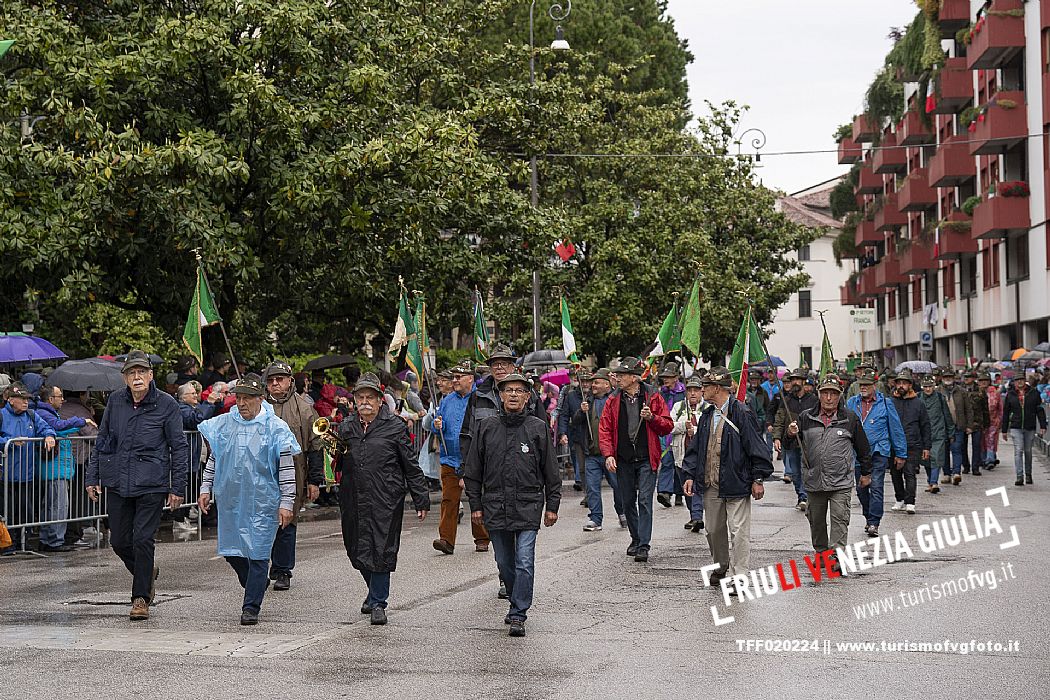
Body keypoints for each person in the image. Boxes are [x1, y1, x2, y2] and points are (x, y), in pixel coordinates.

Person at [86, 350, 188, 620]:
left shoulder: (166, 404)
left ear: (151, 375)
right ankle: (147, 571)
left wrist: (177, 487)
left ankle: (140, 597)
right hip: (119, 482)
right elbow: (103, 440)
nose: (137, 377)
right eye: (132, 373)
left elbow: (179, 447)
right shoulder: (116, 402)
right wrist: (92, 477)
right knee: (119, 541)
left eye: (142, 372)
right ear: (125, 378)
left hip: (151, 483)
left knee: (143, 539)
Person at [197, 374, 300, 625]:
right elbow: (214, 459)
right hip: (231, 501)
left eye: (247, 399)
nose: (241, 403)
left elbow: (287, 469)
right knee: (233, 551)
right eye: (238, 398)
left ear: (260, 400)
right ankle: (256, 582)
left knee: (258, 553)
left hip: (264, 503)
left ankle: (251, 606)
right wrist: (205, 487)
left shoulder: (275, 428)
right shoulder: (225, 426)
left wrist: (287, 502)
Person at [463, 372, 561, 638]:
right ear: (501, 395)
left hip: (528, 505)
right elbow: (473, 471)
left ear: (527, 397)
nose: (514, 394)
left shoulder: (537, 427)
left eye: (519, 390)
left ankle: (519, 613)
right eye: (509, 390)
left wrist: (552, 505)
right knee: (505, 562)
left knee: (524, 562)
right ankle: (516, 598)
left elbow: (551, 470)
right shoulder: (487, 427)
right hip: (495, 505)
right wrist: (476, 505)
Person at [336, 372, 430, 625]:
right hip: (353, 496)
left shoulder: (395, 426)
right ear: (355, 400)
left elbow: (410, 464)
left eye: (370, 397)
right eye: (360, 397)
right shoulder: (346, 427)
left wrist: (421, 498)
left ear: (380, 400)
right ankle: (373, 590)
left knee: (381, 549)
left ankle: (379, 602)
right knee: (356, 548)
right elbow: (337, 463)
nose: (365, 402)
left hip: (385, 498)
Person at [681, 367, 773, 587]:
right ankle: (721, 566)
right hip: (711, 483)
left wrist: (758, 478)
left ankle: (738, 575)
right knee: (713, 530)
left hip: (737, 482)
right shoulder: (706, 415)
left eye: (705, 386)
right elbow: (697, 448)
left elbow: (756, 447)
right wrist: (690, 474)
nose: (701, 390)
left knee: (739, 531)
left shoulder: (742, 413)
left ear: (716, 388)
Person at [598, 356, 674, 563]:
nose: (618, 378)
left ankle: (643, 545)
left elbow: (667, 425)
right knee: (627, 501)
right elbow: (604, 429)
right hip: (622, 459)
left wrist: (652, 418)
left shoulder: (653, 397)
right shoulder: (613, 399)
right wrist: (608, 455)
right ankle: (635, 537)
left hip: (646, 458)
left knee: (645, 501)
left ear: (634, 378)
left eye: (621, 375)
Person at [786, 376, 871, 561]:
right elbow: (789, 444)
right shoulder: (806, 417)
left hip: (841, 480)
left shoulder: (849, 418)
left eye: (833, 393)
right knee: (816, 521)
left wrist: (866, 472)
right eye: (825, 393)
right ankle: (822, 552)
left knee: (840, 518)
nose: (829, 398)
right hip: (814, 478)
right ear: (819, 395)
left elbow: (863, 447)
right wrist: (790, 433)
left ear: (840, 396)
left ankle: (836, 556)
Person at [262, 360, 324, 591]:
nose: (275, 384)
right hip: (262, 474)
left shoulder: (305, 409)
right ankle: (259, 567)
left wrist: (314, 480)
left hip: (295, 474)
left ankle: (282, 570)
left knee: (287, 521)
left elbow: (315, 445)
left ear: (290, 381)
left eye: (280, 379)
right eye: (271, 380)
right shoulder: (258, 405)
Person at [427, 361, 486, 554]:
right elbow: (441, 427)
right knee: (448, 500)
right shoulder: (447, 400)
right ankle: (446, 540)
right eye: (453, 377)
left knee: (478, 498)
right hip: (450, 458)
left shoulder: (481, 398)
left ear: (470, 378)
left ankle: (482, 537)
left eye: (458, 377)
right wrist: (438, 426)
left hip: (475, 460)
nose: (454, 380)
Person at [845, 368, 906, 538]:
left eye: (866, 385)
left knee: (877, 486)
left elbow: (896, 429)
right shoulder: (851, 403)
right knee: (861, 488)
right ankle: (868, 516)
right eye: (861, 384)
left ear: (875, 385)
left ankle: (874, 522)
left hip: (879, 451)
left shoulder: (886, 403)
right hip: (857, 453)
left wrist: (900, 453)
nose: (863, 387)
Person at [34, 386, 94, 552]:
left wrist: (78, 424)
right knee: (58, 505)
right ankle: (54, 540)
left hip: (57, 467)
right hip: (55, 467)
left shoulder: (48, 413)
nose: (63, 399)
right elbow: (58, 427)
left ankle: (50, 538)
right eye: (59, 396)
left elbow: (61, 428)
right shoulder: (45, 414)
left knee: (53, 504)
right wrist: (81, 421)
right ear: (50, 399)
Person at [0, 383, 57, 553]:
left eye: (27, 399)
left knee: (25, 512)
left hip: (27, 475)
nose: (26, 402)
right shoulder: (2, 416)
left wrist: (49, 436)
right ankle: (8, 545)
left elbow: (47, 427)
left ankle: (22, 543)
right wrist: (8, 443)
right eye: (22, 399)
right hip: (5, 476)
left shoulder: (31, 415)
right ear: (11, 400)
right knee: (7, 512)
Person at [572, 368, 624, 531]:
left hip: (611, 454)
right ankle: (595, 519)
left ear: (607, 385)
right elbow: (575, 421)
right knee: (592, 488)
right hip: (592, 454)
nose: (592, 385)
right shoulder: (588, 400)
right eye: (592, 382)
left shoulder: (616, 400)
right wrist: (582, 411)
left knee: (618, 486)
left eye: (596, 382)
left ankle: (623, 513)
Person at [772, 368, 818, 511]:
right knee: (795, 472)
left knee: (807, 470)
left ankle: (806, 496)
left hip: (808, 442)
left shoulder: (814, 400)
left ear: (804, 382)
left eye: (797, 379)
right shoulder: (786, 401)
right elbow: (779, 420)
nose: (794, 382)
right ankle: (801, 495)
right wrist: (777, 437)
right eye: (792, 380)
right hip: (790, 441)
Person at [889, 369, 931, 515]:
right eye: (899, 383)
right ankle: (899, 498)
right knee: (895, 474)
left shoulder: (918, 403)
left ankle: (910, 501)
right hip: (894, 444)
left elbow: (925, 425)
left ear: (910, 385)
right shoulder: (890, 402)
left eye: (904, 383)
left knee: (910, 473)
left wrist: (927, 446)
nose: (901, 386)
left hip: (913, 444)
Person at [670, 375, 708, 533]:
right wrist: (683, 426)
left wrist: (696, 429)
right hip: (681, 455)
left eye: (696, 390)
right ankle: (694, 514)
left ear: (701, 392)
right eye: (690, 390)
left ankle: (698, 516)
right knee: (687, 487)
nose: (693, 393)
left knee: (697, 486)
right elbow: (669, 426)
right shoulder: (679, 407)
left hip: (701, 456)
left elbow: (712, 428)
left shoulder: (708, 408)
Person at [1001, 374, 1048, 486]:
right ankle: (1019, 476)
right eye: (1017, 380)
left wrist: (1042, 425)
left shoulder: (1033, 393)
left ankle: (1028, 474)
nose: (1020, 382)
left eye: (1021, 380)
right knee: (1018, 450)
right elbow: (1006, 412)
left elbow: (1040, 410)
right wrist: (1004, 429)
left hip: (1029, 426)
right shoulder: (1010, 394)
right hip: (1016, 426)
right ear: (1015, 382)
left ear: (1025, 381)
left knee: (1028, 451)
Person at [656, 362, 685, 508]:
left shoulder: (684, 393)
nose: (666, 380)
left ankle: (680, 493)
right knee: (667, 461)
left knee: (679, 462)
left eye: (669, 377)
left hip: (680, 431)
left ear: (676, 377)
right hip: (664, 431)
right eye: (664, 377)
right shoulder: (661, 393)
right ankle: (664, 492)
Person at [556, 369, 591, 494]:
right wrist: (563, 433)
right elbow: (564, 415)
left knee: (592, 467)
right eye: (583, 381)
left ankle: (592, 494)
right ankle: (587, 493)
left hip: (593, 437)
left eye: (588, 381)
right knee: (581, 466)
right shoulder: (571, 396)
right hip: (577, 435)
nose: (586, 384)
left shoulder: (594, 395)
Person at [919, 375, 954, 494]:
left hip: (938, 433)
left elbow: (947, 415)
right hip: (923, 434)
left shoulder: (940, 398)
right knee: (926, 460)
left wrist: (950, 432)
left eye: (930, 386)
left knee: (937, 457)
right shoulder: (918, 398)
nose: (928, 389)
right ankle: (930, 481)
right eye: (925, 387)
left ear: (934, 387)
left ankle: (934, 482)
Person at [939, 368, 971, 485]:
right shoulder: (938, 391)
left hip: (958, 425)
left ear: (953, 378)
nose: (948, 379)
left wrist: (969, 425)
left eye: (950, 377)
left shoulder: (961, 392)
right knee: (944, 451)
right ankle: (947, 474)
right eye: (945, 377)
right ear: (942, 379)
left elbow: (968, 409)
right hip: (942, 427)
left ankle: (957, 473)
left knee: (957, 449)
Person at [962, 370, 989, 476]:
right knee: (962, 446)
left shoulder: (980, 391)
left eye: (968, 377)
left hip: (977, 422)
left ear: (973, 379)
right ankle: (966, 466)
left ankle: (975, 467)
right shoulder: (960, 390)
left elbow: (985, 408)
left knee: (976, 446)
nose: (966, 379)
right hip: (964, 422)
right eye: (965, 377)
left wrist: (987, 423)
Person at [980, 372, 1002, 471]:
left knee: (991, 440)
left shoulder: (995, 393)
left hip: (993, 421)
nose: (983, 382)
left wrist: (1000, 420)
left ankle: (990, 460)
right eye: (981, 380)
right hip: (980, 421)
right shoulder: (976, 393)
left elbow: (1000, 408)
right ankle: (984, 459)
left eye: (985, 380)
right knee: (982, 441)